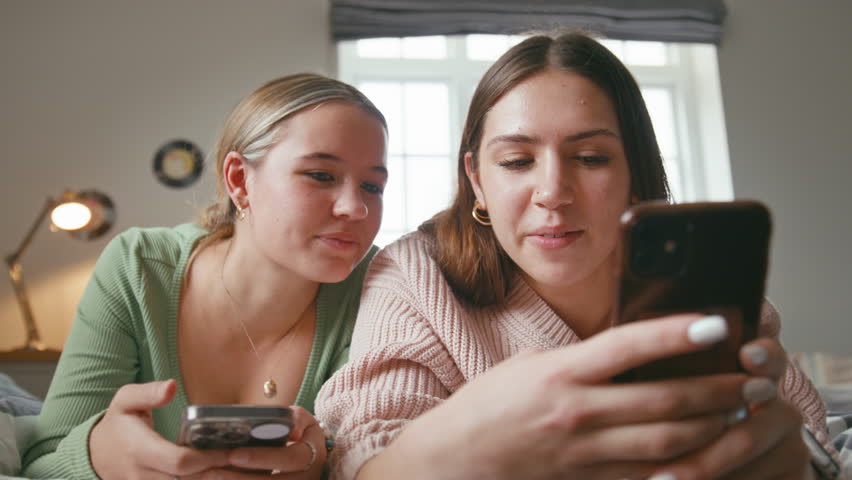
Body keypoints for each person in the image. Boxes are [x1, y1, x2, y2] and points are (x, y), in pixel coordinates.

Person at [316, 32, 838, 480]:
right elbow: (363, 453)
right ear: (477, 179)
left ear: (635, 173)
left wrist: (794, 463)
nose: (553, 192)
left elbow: (817, 449)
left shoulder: (696, 289)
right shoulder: (415, 277)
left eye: (590, 158)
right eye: (518, 161)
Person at [22, 73, 388, 479]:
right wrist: (98, 458)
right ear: (239, 180)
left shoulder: (380, 288)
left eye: (372, 185)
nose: (356, 208)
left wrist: (320, 466)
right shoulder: (138, 267)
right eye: (321, 175)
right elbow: (42, 464)